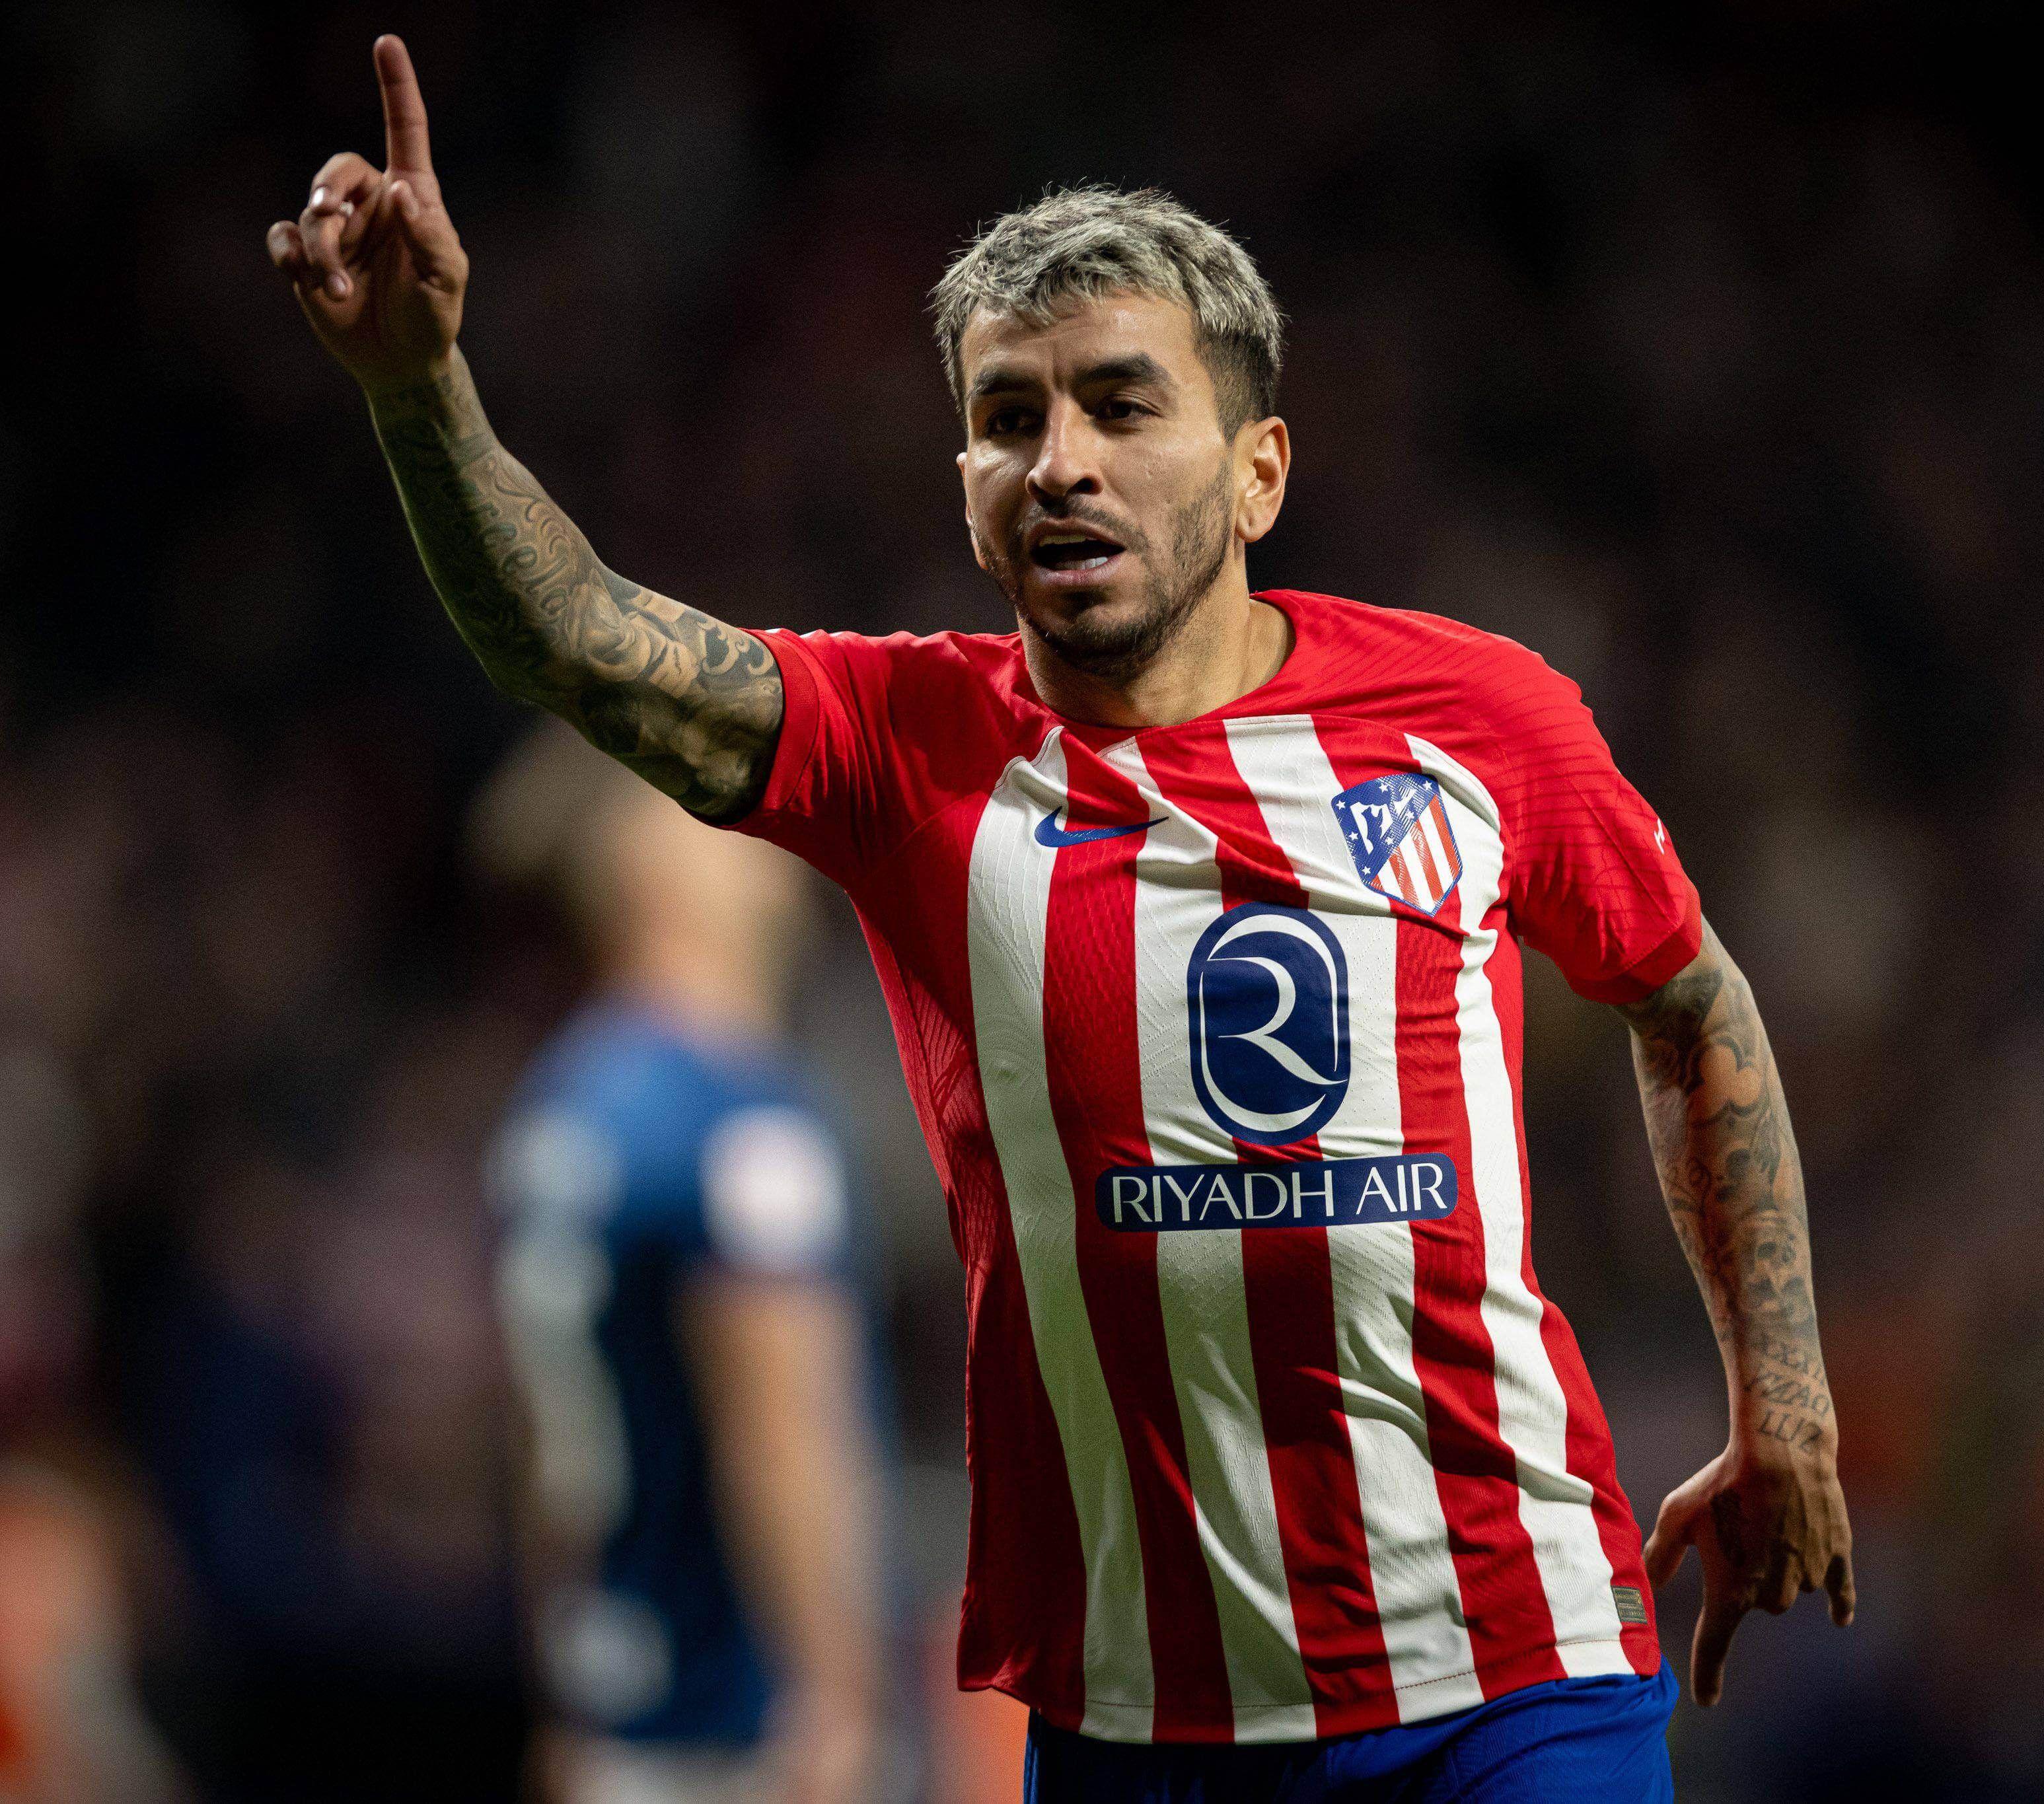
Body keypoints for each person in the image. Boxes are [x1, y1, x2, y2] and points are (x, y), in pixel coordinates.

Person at [266, 36, 1855, 1799]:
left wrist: (1778, 1388)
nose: (1059, 460)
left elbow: (1691, 999)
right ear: (961, 486)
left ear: (1258, 470)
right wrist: (421, 388)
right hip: (1135, 1721)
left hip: (1512, 1679)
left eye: (1119, 402)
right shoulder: (903, 746)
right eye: (1007, 417)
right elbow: (569, 635)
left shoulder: (1480, 720)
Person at [469, 721, 890, 1804]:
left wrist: (560, 1702)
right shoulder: (738, 1124)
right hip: (746, 1736)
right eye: (727, 807)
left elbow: (535, 1447)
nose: (770, 831)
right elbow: (779, 1434)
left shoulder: (557, 1113)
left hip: (613, 1718)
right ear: (653, 859)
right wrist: (839, 1699)